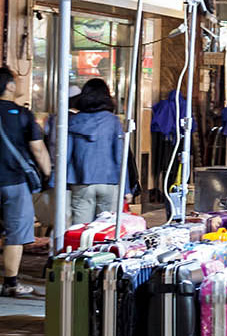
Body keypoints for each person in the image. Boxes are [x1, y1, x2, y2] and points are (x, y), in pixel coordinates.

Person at [0, 67, 50, 297]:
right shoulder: (22, 115)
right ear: (9, 85)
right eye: (17, 81)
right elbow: (37, 148)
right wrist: (47, 172)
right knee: (16, 234)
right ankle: (10, 283)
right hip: (15, 182)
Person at [65, 78, 134, 225]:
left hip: (81, 181)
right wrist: (126, 188)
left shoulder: (73, 121)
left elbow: (66, 155)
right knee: (105, 231)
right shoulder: (113, 121)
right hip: (109, 182)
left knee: (80, 229)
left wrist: (57, 183)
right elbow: (120, 157)